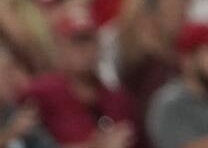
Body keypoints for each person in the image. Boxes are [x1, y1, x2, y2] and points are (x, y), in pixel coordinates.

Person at [19, 10, 136, 148]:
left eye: (88, 40)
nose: (83, 49)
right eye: (75, 42)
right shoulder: (40, 93)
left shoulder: (117, 99)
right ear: (59, 46)